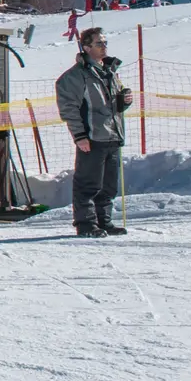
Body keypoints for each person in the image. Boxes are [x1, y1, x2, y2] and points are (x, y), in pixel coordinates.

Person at [56, 27, 133, 237]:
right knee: (88, 184)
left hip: (113, 135)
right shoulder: (75, 76)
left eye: (105, 42)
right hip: (92, 137)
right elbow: (69, 108)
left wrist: (124, 100)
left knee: (108, 186)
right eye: (99, 43)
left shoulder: (109, 71)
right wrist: (79, 136)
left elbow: (112, 105)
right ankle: (86, 224)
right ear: (87, 47)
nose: (104, 47)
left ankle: (104, 222)